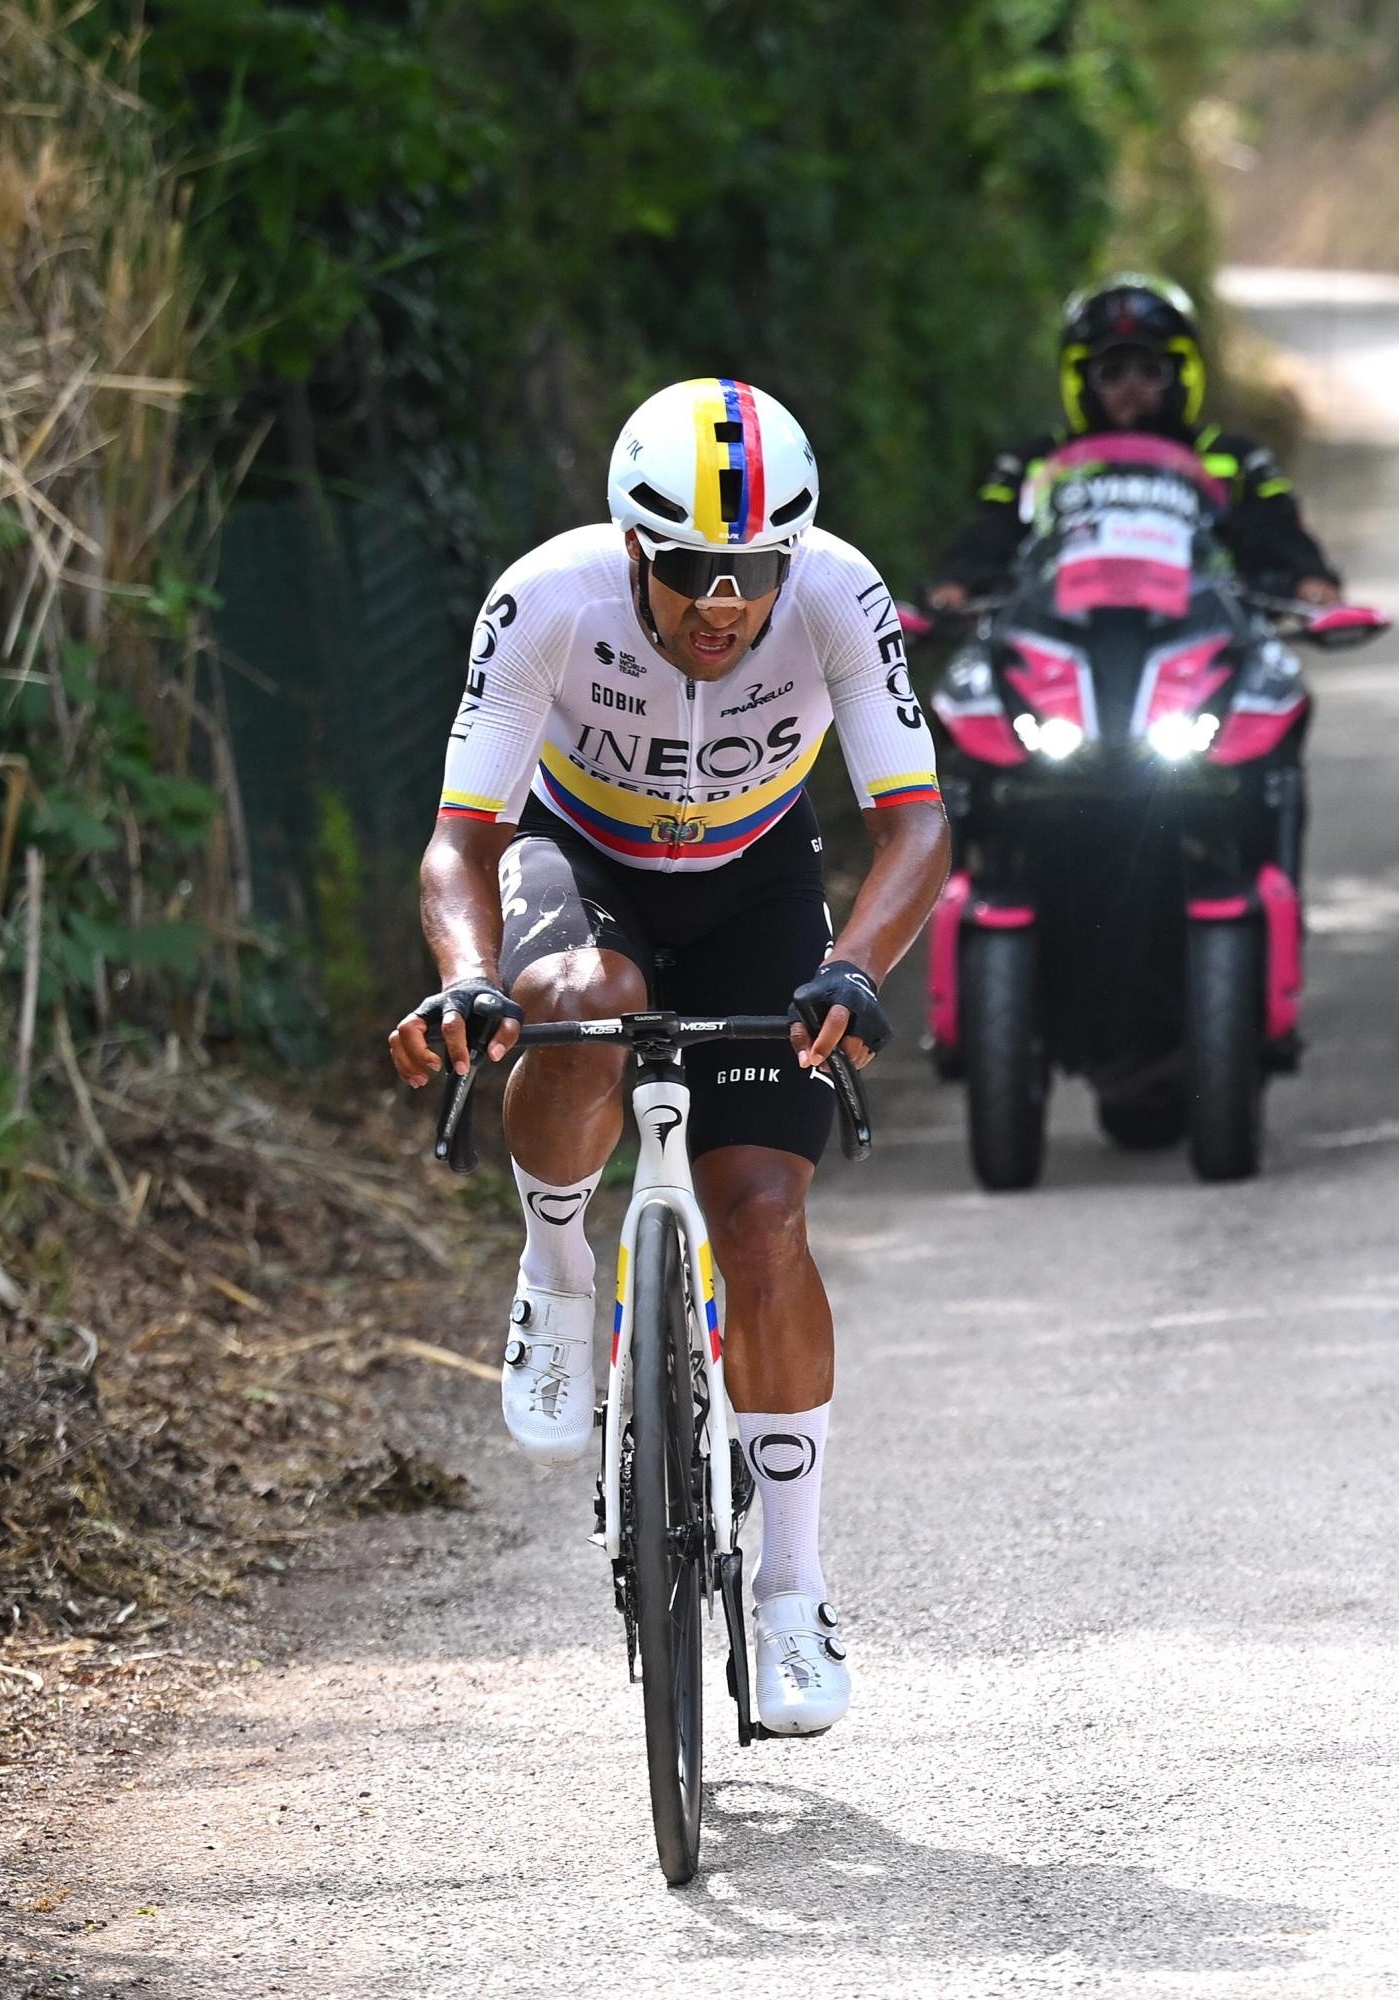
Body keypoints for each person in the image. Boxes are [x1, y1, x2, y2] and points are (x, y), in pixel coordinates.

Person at [386, 378, 950, 1737]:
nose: (722, 603)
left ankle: (793, 1592)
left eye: (751, 571)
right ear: (637, 551)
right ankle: (559, 1265)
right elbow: (462, 841)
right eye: (692, 568)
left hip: (760, 883)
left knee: (763, 1221)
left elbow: (917, 827)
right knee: (587, 1000)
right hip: (587, 866)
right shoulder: (549, 600)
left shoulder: (837, 596)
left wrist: (855, 967)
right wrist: (467, 979)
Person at [926, 274, 1342, 613]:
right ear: (1084, 382)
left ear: (1179, 376)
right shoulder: (1034, 464)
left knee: (1280, 695)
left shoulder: (1233, 459)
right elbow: (988, 532)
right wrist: (955, 583)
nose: (1132, 386)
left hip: (1206, 647)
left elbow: (1277, 526)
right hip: (1058, 649)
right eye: (1112, 372)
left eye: (1149, 370)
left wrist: (1309, 579)